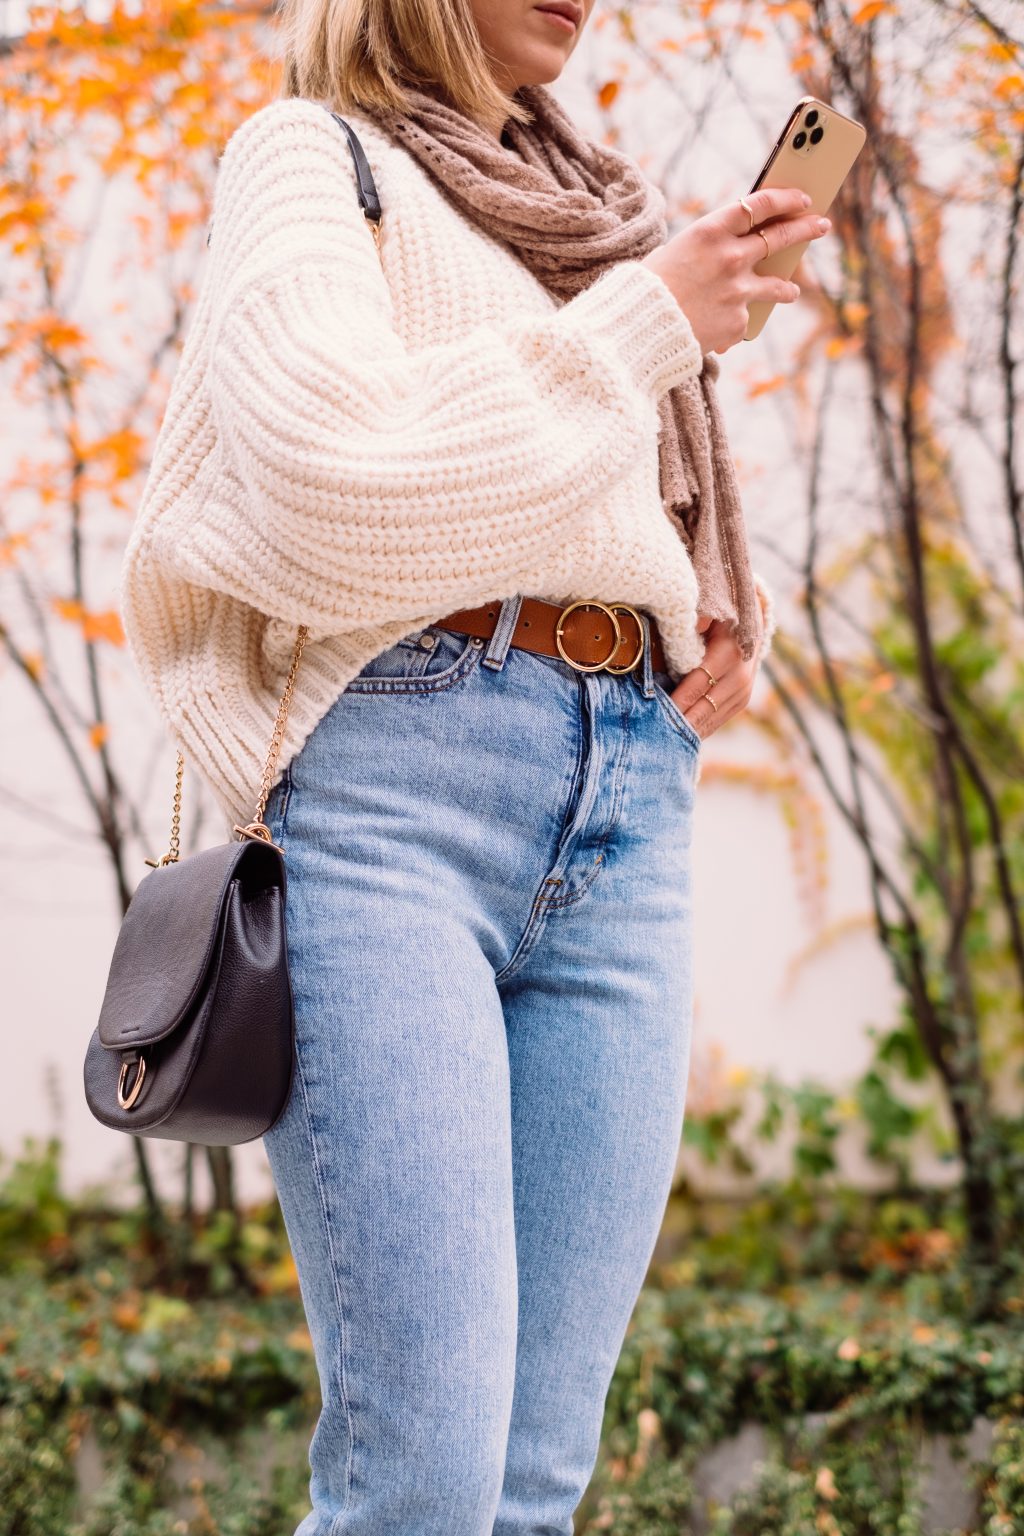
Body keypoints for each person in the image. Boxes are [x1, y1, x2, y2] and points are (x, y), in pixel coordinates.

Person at [118, 1, 831, 1530]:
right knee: (423, 1481)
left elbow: (567, 489)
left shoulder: (589, 214)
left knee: (528, 1482)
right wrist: (652, 320)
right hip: (391, 788)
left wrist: (701, 602)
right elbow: (331, 479)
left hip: (628, 790)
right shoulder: (311, 160)